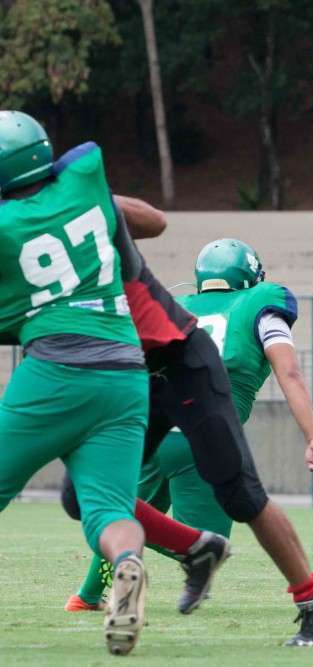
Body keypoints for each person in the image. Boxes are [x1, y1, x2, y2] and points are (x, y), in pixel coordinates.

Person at [60, 196, 313, 646]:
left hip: (148, 422)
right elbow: (289, 371)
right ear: (250, 276)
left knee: (113, 506)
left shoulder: (175, 303)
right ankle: (308, 601)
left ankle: (88, 594)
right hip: (201, 432)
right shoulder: (263, 303)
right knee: (222, 527)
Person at [0, 111, 149, 655]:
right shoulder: (86, 172)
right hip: (126, 373)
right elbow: (130, 262)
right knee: (110, 511)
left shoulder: (6, 228)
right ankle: (128, 565)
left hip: (56, 370)